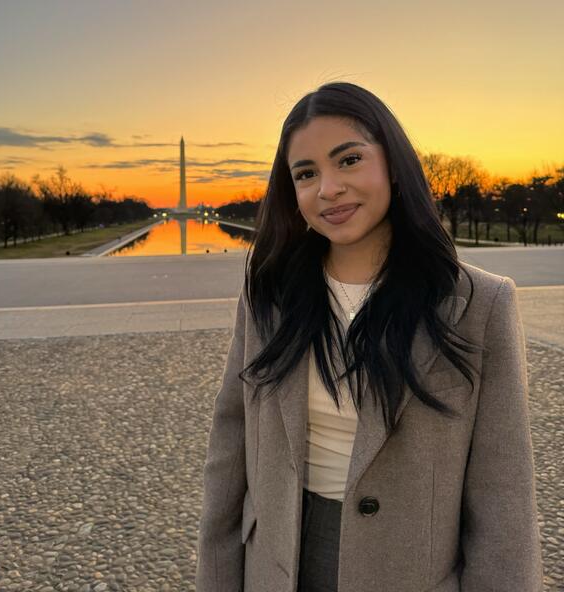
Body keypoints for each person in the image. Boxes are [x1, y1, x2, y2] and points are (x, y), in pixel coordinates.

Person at [195, 82, 544, 592]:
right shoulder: (269, 291)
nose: (328, 188)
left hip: (410, 570)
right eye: (306, 173)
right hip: (276, 561)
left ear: (393, 163)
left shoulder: (479, 304)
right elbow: (230, 446)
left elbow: (503, 490)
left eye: (349, 160)